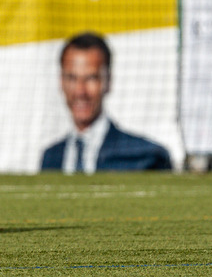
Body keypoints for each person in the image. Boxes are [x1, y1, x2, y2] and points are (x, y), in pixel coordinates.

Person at [40, 32, 171, 173]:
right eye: (72, 78)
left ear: (108, 81)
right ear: (61, 81)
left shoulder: (146, 157)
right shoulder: (50, 158)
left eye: (91, 78)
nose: (80, 91)